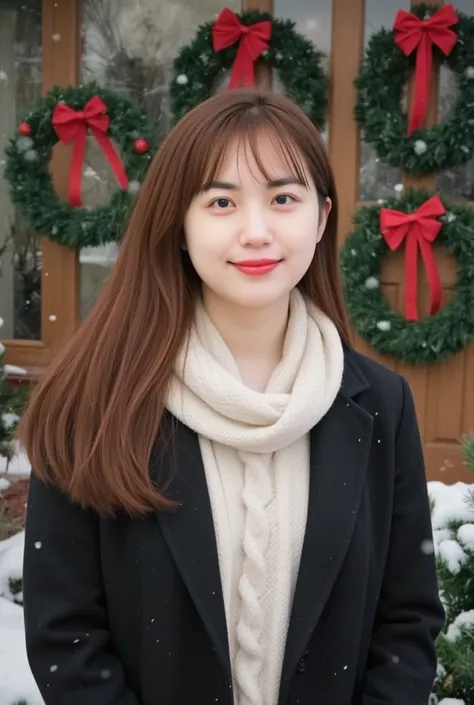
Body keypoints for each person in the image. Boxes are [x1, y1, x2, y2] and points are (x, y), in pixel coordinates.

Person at [20, 89, 444, 705]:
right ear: (180, 224)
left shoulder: (380, 404)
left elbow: (406, 621)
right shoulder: (93, 402)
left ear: (321, 218)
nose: (255, 231)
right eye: (221, 201)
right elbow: (67, 636)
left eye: (283, 199)